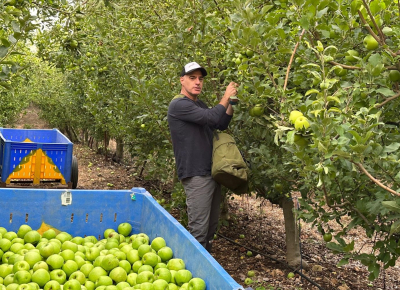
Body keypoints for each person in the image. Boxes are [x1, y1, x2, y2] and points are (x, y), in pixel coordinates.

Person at [167, 61, 238, 252]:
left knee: (210, 229)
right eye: (192, 78)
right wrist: (224, 97)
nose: (197, 82)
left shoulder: (200, 105)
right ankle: (192, 275)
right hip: (196, 174)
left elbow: (220, 123)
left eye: (200, 79)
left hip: (210, 172)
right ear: (182, 80)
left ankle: (205, 272)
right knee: (198, 230)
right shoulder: (179, 105)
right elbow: (211, 117)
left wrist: (230, 103)